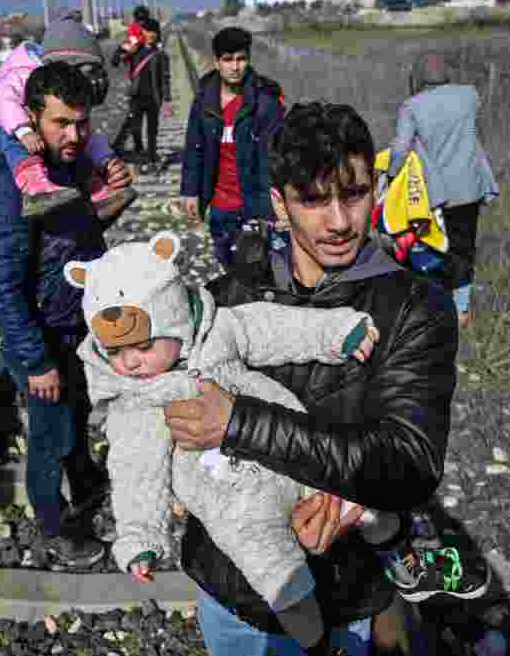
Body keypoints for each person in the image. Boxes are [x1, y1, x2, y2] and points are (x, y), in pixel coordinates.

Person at [164, 102, 488, 656]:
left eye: (354, 194)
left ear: (376, 190)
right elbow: (167, 401)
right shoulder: (225, 297)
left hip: (343, 590)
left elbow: (408, 462)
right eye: (313, 200)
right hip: (227, 588)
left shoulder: (413, 306)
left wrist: (238, 423)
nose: (339, 222)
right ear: (279, 205)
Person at [65, 231, 399, 655]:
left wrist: (336, 332)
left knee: (357, 505)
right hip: (235, 505)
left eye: (145, 345)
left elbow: (274, 328)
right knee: (279, 576)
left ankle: (404, 553)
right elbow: (135, 475)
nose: (131, 362)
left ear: (175, 320)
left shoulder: (219, 330)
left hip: (289, 449)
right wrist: (140, 536)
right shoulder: (136, 407)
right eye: (116, 352)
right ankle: (317, 644)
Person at [0, 61, 137, 568]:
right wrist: (34, 358)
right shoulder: (9, 182)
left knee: (76, 418)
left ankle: (84, 488)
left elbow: (75, 230)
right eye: (62, 123)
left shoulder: (64, 166)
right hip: (42, 334)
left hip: (72, 326)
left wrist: (115, 199)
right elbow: (2, 282)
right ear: (33, 119)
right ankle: (54, 527)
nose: (75, 134)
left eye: (82, 123)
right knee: (48, 434)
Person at [0, 19, 132, 218]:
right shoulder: (26, 77)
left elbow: (89, 136)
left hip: (24, 130)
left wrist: (106, 161)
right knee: (17, 141)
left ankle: (98, 195)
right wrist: (24, 131)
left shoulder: (57, 107)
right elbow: (4, 101)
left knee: (75, 149)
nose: (73, 134)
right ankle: (35, 188)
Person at [386, 53, 499, 329]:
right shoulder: (469, 96)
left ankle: (429, 310)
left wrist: (390, 177)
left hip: (432, 194)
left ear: (417, 78)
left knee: (429, 249)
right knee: (463, 249)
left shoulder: (412, 107)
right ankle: (460, 311)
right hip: (469, 189)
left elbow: (400, 150)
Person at [179, 26, 286, 271]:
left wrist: (276, 202)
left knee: (258, 270)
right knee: (226, 265)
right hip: (219, 205)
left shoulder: (265, 102)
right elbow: (194, 148)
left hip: (255, 204)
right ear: (216, 62)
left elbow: (275, 156)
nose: (235, 66)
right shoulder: (204, 101)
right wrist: (190, 190)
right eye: (228, 60)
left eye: (241, 59)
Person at [111, 17, 172, 173]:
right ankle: (140, 154)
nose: (150, 34)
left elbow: (165, 78)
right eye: (147, 31)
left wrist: (167, 101)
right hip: (136, 96)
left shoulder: (160, 54)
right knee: (136, 129)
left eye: (153, 32)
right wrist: (123, 48)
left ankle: (151, 159)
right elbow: (114, 61)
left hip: (154, 98)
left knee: (152, 130)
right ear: (142, 32)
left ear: (157, 34)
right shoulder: (134, 50)